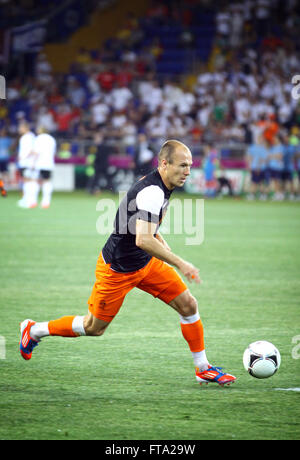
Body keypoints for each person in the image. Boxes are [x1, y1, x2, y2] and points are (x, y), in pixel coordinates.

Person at [19, 140, 236, 386]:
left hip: (146, 264)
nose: (188, 171)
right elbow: (143, 239)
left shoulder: (161, 185)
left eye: (190, 165)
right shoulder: (153, 191)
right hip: (117, 269)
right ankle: (34, 330)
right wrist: (180, 263)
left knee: (188, 305)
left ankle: (203, 368)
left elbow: (144, 224)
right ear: (164, 164)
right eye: (183, 165)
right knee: (93, 327)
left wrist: (162, 242)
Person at [32, 126, 57, 208]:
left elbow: (36, 152)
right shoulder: (52, 139)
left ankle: (33, 201)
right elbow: (53, 152)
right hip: (49, 163)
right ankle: (46, 202)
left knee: (36, 181)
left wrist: (33, 163)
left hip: (39, 163)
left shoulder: (38, 138)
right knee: (47, 181)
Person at [16, 121, 36, 208]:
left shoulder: (28, 137)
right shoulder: (29, 136)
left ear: (25, 128)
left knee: (27, 181)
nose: (19, 129)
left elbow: (32, 150)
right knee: (27, 180)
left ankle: (28, 200)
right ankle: (29, 199)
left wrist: (23, 157)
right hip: (25, 162)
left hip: (26, 163)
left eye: (20, 127)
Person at [246, 135, 268, 200]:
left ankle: (263, 195)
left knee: (261, 182)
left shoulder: (264, 148)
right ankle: (252, 195)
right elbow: (249, 157)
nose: (260, 140)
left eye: (261, 139)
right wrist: (249, 166)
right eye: (259, 138)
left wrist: (259, 167)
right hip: (253, 167)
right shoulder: (252, 147)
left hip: (262, 168)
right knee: (254, 182)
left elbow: (264, 159)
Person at [0, 127, 12, 197]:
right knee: (1, 175)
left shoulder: (8, 140)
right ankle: (2, 188)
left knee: (5, 174)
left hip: (5, 159)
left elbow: (11, 148)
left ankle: (5, 188)